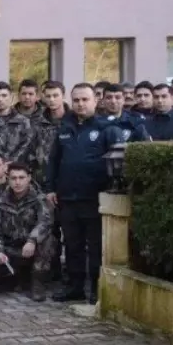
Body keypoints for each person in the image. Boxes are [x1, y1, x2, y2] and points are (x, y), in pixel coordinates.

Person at [44, 83, 125, 304]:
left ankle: (97, 290)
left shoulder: (108, 128)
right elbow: (54, 160)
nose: (80, 104)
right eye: (77, 100)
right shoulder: (65, 127)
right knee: (73, 246)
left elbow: (119, 165)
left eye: (85, 100)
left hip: (94, 199)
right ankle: (75, 287)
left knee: (96, 247)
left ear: (95, 101)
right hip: (68, 198)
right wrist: (50, 187)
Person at [0, 163, 54, 301]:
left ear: (29, 178)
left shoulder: (39, 199)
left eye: (21, 177)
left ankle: (38, 282)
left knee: (48, 240)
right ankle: (16, 278)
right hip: (11, 248)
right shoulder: (0, 202)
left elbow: (45, 223)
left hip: (32, 247)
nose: (17, 182)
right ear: (8, 179)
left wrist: (32, 240)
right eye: (13, 178)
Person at [0, 82, 35, 166]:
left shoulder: (23, 122)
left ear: (11, 98)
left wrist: (10, 163)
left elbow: (26, 147)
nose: (0, 99)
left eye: (4, 96)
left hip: (15, 171)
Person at [30, 81, 67, 184]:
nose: (52, 99)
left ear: (63, 96)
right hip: (43, 180)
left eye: (55, 95)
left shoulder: (73, 121)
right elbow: (30, 152)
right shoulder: (36, 122)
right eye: (48, 96)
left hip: (68, 178)